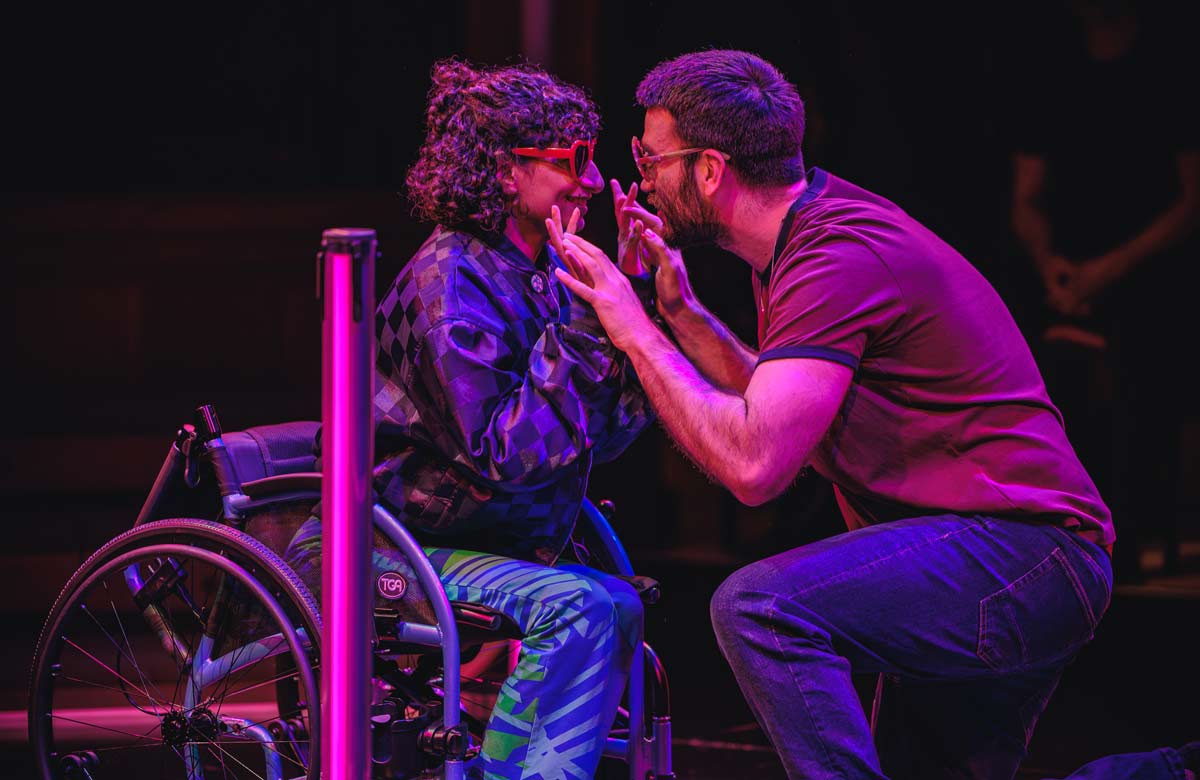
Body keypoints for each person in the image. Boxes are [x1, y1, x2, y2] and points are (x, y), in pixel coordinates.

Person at [550, 48, 1195, 780]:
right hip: (998, 553)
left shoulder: (836, 255)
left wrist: (631, 328)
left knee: (760, 610)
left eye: (650, 156)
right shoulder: (811, 233)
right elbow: (784, 403)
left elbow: (757, 466)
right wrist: (678, 314)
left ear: (708, 169)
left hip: (1024, 554)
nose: (639, 177)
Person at [286, 58, 655, 780]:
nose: (589, 180)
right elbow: (508, 454)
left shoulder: (539, 272)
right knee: (583, 608)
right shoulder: (450, 284)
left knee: (614, 603)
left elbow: (597, 440)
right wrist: (585, 322)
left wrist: (631, 311)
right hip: (388, 545)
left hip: (469, 537)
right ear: (505, 173)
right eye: (571, 160)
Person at [1011, 0, 1200, 583]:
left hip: (1148, 269)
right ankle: (1067, 539)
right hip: (1068, 275)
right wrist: (1052, 267)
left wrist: (1109, 270)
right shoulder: (1054, 73)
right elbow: (1026, 197)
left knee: (1146, 381)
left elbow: (1191, 200)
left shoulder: (1169, 71)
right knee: (1047, 386)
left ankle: (1143, 534)